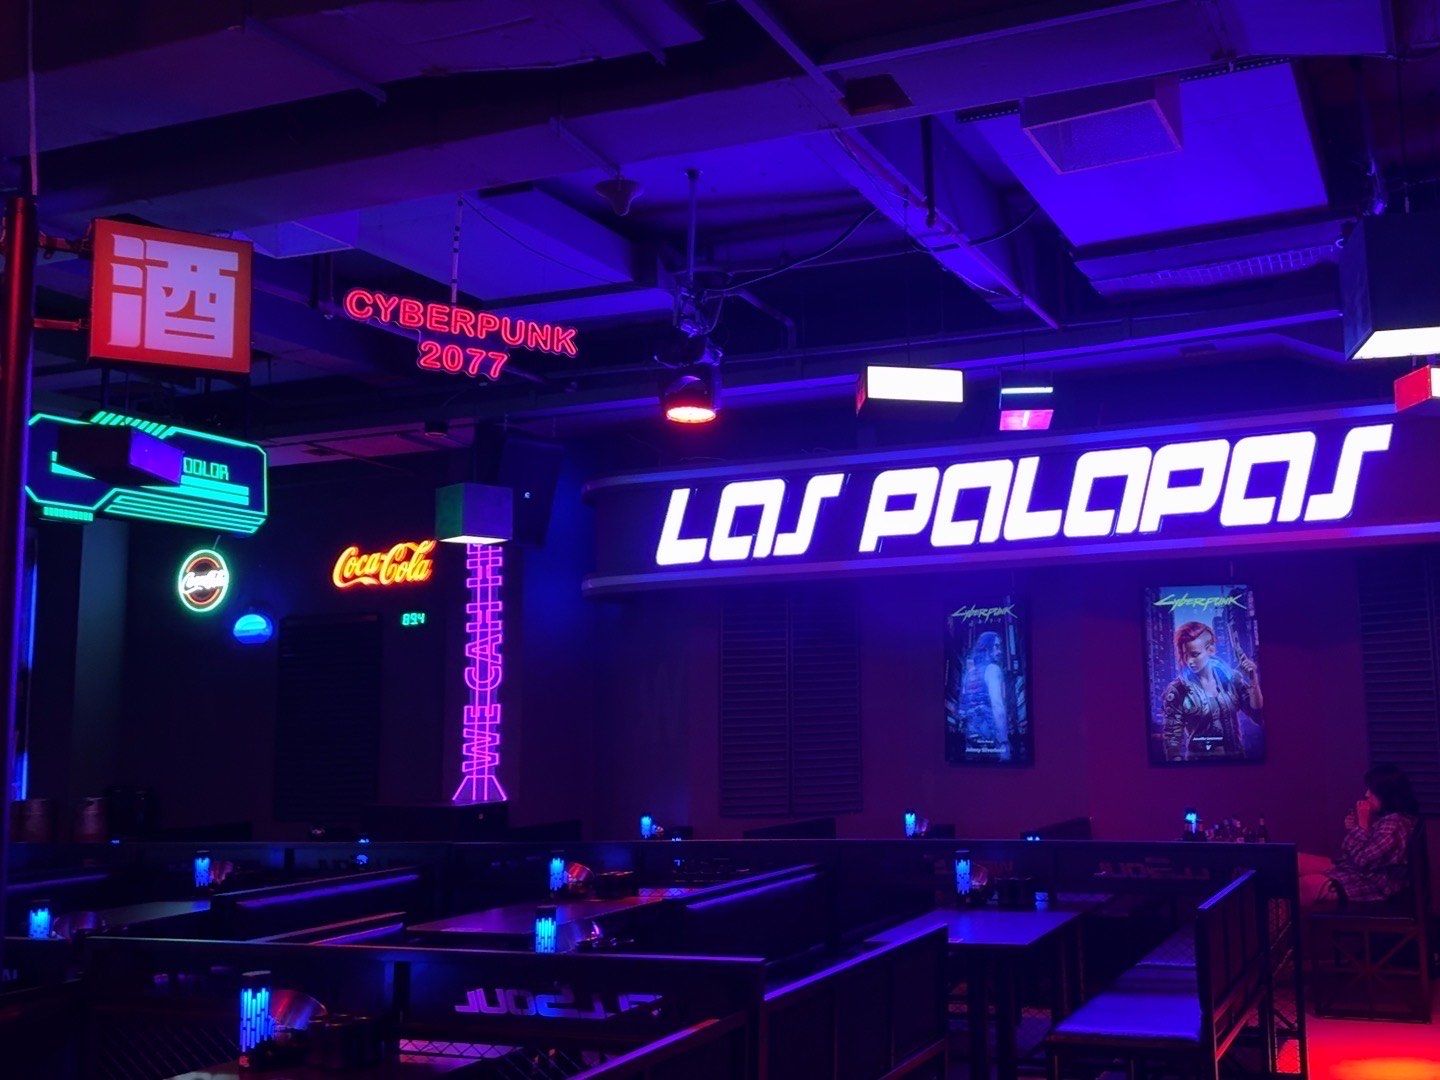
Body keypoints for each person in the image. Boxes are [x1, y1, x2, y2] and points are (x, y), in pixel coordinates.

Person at [1299, 765, 1420, 910]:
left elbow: (1361, 860)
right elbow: (1352, 853)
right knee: (1294, 861)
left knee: (1305, 885)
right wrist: (1356, 829)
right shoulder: (1390, 819)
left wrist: (1362, 825)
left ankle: (1285, 922)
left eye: (1372, 791)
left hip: (1372, 883)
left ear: (1386, 794)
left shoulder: (1394, 824)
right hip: (1358, 871)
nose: (1366, 794)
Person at [1160, 620, 1262, 761]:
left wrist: (1253, 680)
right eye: (1185, 654)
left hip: (1237, 763)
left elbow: (1258, 714)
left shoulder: (1232, 679)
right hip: (1198, 767)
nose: (1189, 661)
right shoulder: (1178, 690)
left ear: (1211, 650)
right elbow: (1172, 742)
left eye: (1195, 654)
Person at [961, 631, 1011, 762]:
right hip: (991, 740)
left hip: (971, 741)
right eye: (996, 647)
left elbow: (964, 707)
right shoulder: (993, 669)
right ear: (987, 649)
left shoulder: (968, 674)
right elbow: (997, 706)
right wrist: (1004, 742)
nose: (1000, 651)